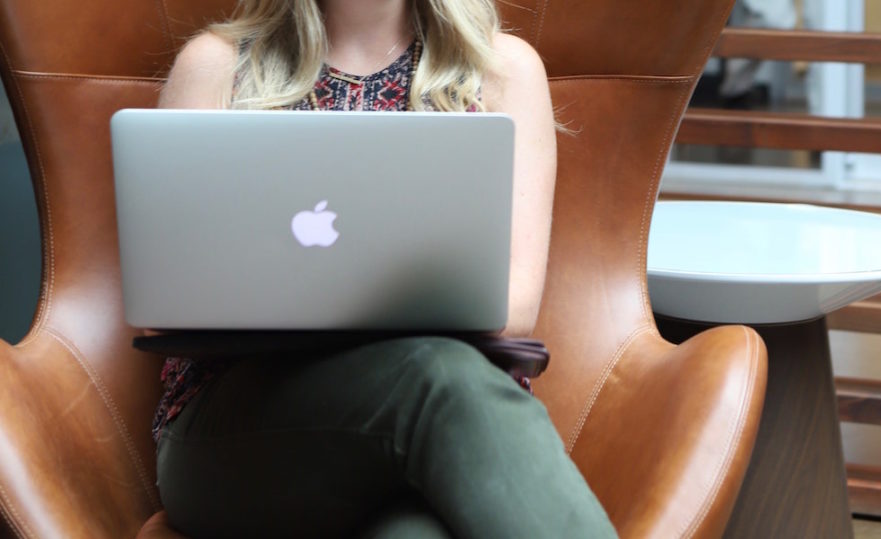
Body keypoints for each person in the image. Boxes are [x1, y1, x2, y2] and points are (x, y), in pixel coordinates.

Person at [152, 0, 618, 537]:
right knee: (436, 372)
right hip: (238, 437)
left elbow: (511, 306)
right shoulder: (216, 67)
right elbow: (164, 302)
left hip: (443, 434)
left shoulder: (502, 72)